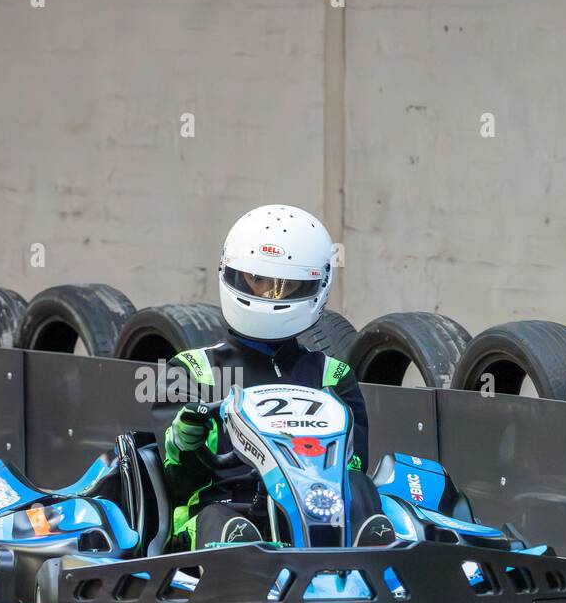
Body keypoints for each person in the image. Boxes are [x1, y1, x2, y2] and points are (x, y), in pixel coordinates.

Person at [161, 204, 393, 550]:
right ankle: (241, 561)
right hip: (229, 505)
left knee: (360, 486)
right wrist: (183, 442)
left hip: (320, 508)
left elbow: (353, 464)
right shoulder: (192, 369)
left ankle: (377, 557)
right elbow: (178, 485)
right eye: (258, 281)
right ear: (232, 273)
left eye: (285, 286)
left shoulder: (332, 376)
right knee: (220, 522)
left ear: (316, 285)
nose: (269, 295)